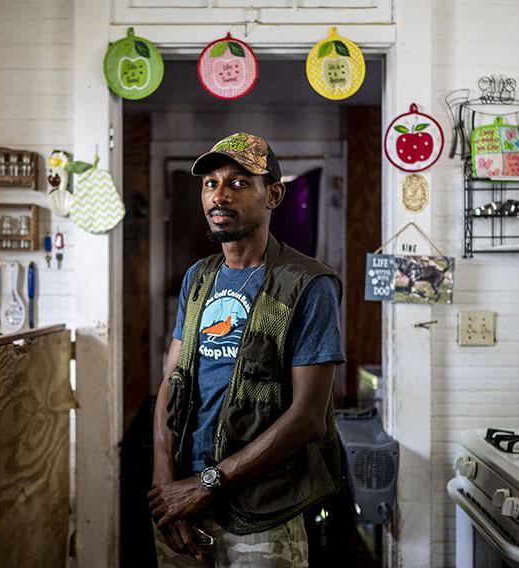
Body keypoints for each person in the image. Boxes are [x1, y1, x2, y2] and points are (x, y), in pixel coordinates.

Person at [148, 132, 345, 567]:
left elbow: (309, 419)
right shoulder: (198, 277)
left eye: (238, 182)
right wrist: (167, 485)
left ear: (273, 194)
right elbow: (171, 381)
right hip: (182, 502)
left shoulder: (308, 284)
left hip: (263, 509)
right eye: (210, 183)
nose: (219, 194)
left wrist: (208, 483)